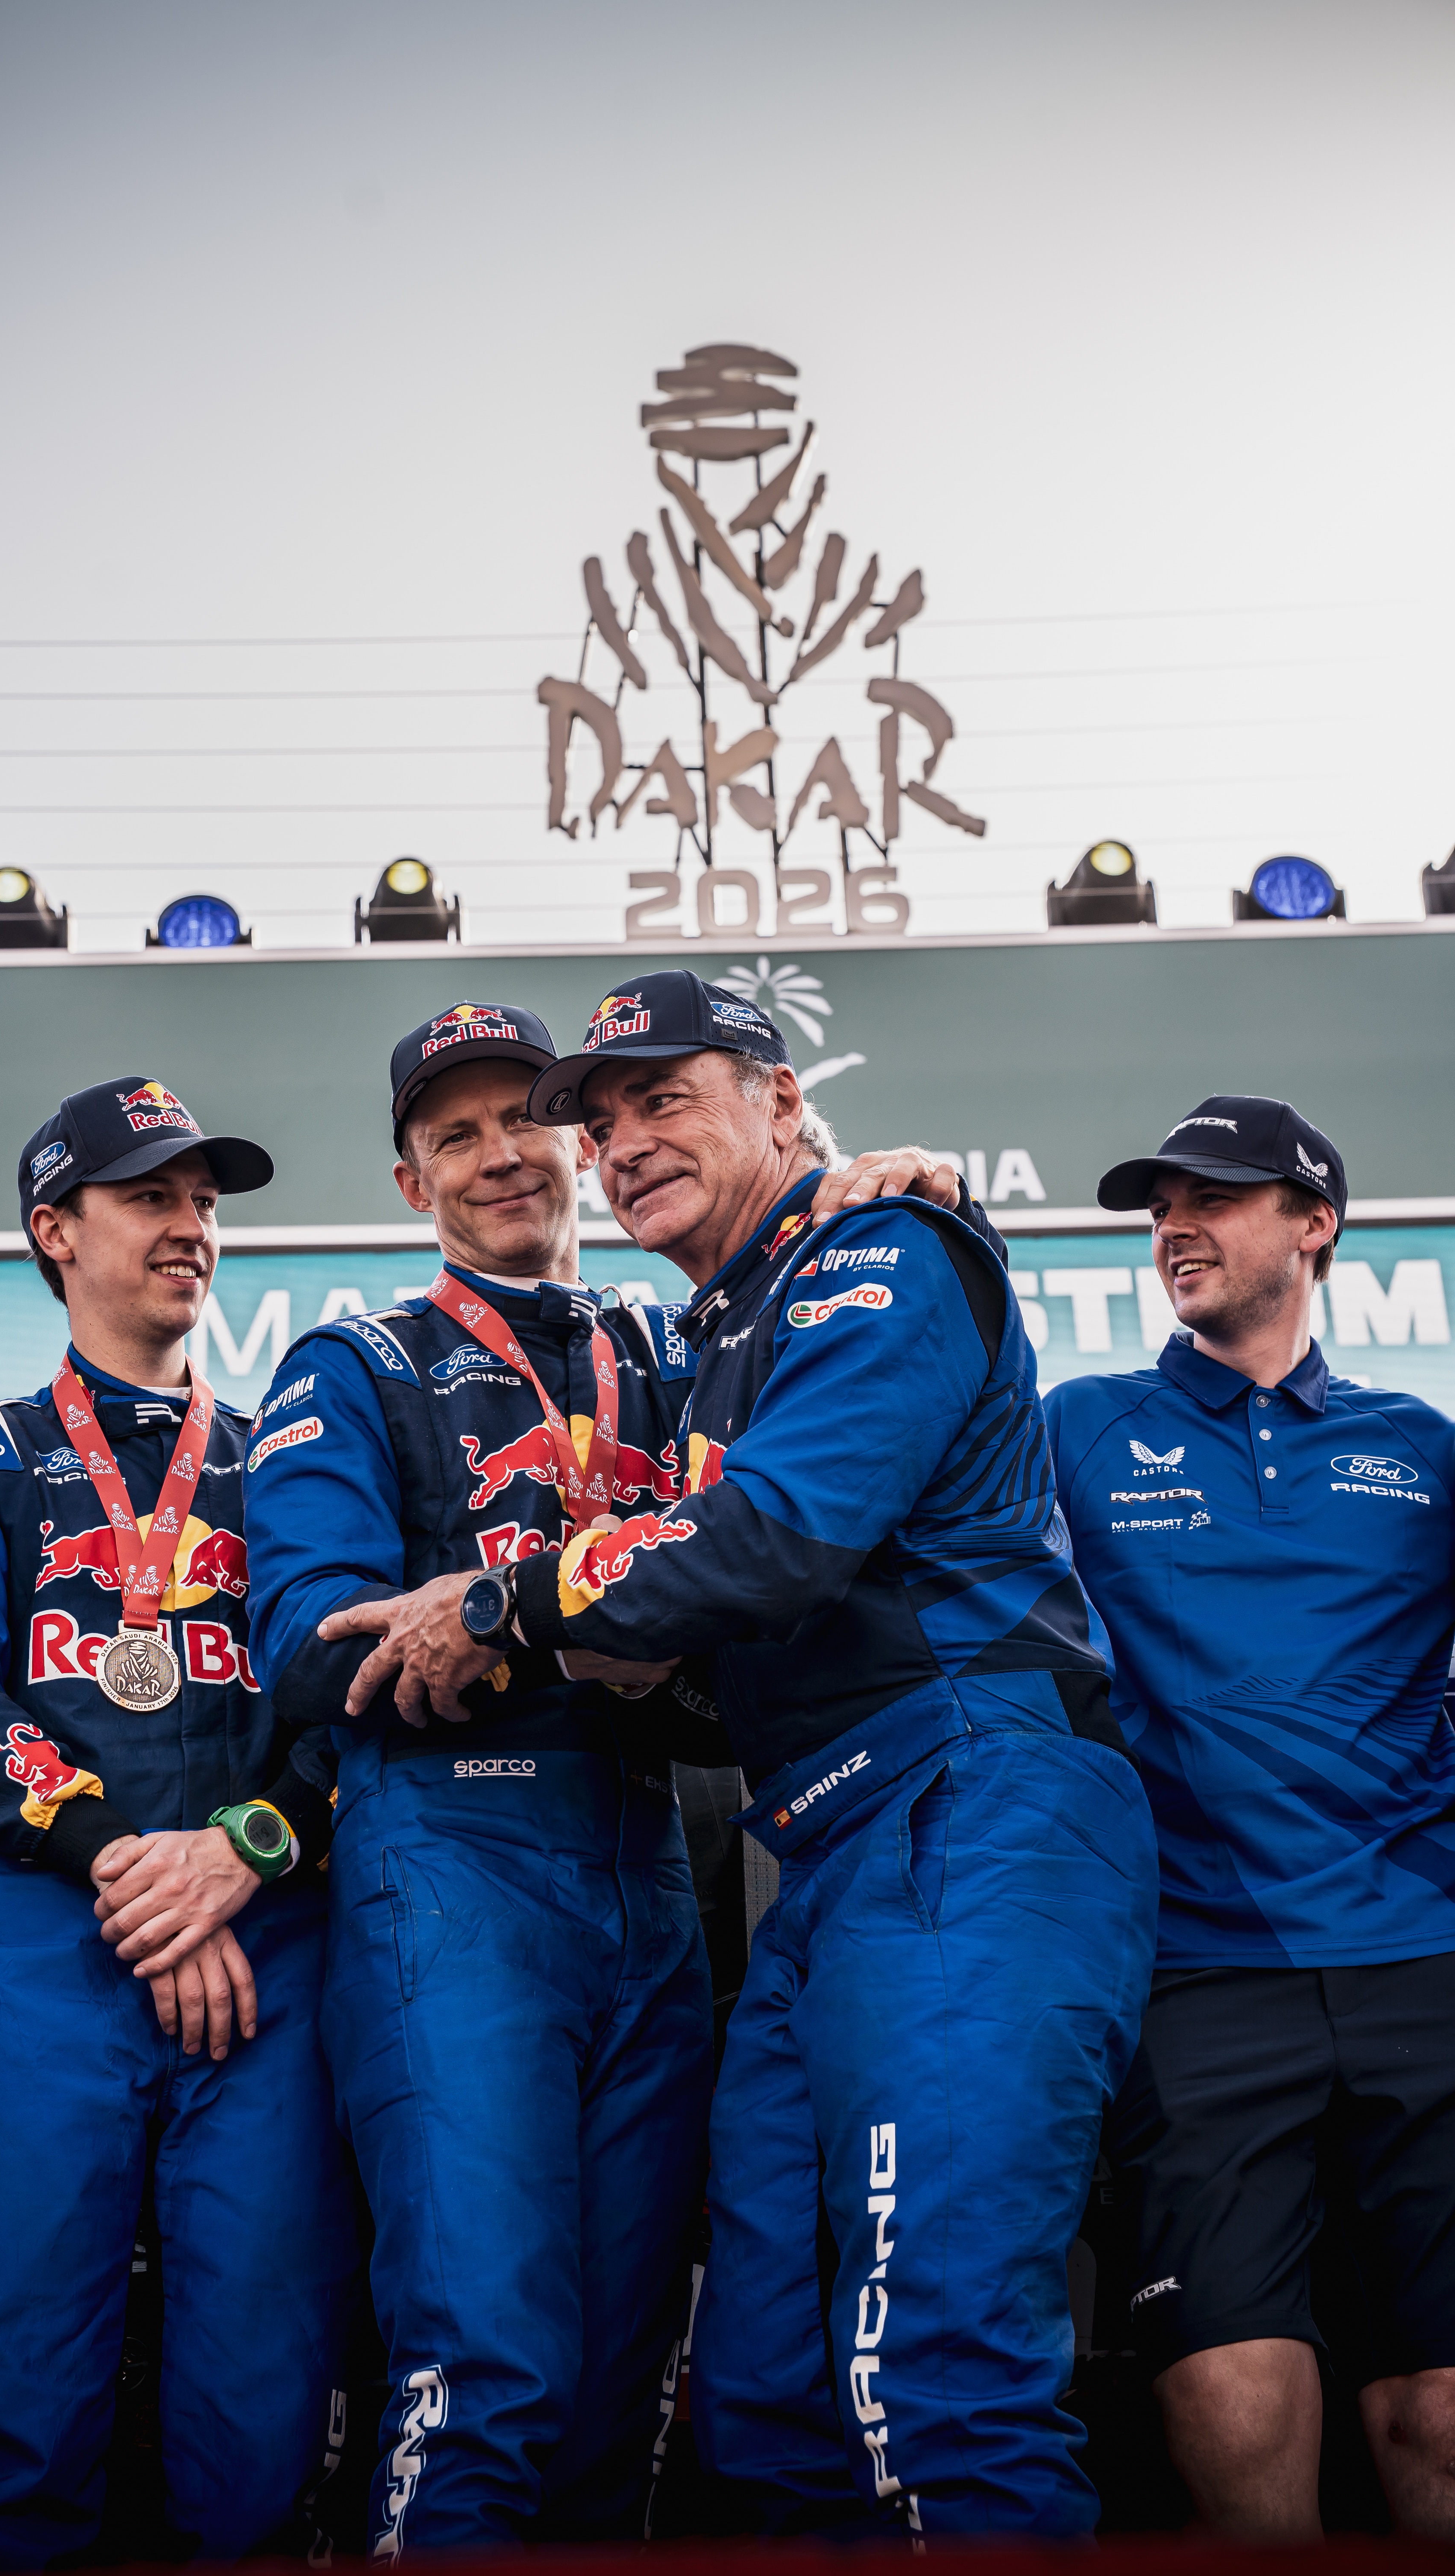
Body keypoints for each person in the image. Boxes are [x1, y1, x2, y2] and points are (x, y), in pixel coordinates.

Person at [320, 970, 1160, 2540]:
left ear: (785, 1103)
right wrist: (606, 1643)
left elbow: (772, 1541)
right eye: (606, 1116)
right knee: (762, 2400)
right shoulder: (716, 1341)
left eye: (667, 1097)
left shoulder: (881, 1250)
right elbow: (699, 1641)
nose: (622, 1139)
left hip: (976, 1810)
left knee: (941, 2379)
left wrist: (507, 1596)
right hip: (829, 1863)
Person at [221, 996, 954, 2553]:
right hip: (452, 1867)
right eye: (454, 1137)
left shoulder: (675, 1349)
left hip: (660, 1879)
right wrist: (558, 1627)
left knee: (634, 2382)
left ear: (584, 1141)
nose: (502, 1159)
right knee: (487, 2370)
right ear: (413, 1184)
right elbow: (304, 1639)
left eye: (524, 1123)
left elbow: (765, 1561)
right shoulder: (355, 1362)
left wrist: (863, 1183)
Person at [0, 1078, 361, 2573]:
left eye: (207, 1202)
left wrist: (245, 1855)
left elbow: (343, 1704)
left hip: (265, 1961)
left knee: (262, 2432)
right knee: (8, 2411)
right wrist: (130, 1867)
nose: (193, 1228)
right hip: (46, 1962)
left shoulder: (292, 1453)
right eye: (153, 1197)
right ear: (55, 1231)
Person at [1042, 1094, 1455, 2542]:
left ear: (1315, 1223)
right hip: (1202, 1967)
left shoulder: (1422, 1447)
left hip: (1427, 1960)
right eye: (1163, 1204)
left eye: (1215, 1197)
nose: (1177, 1226)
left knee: (1441, 2410)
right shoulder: (1081, 1429)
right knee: (1226, 2383)